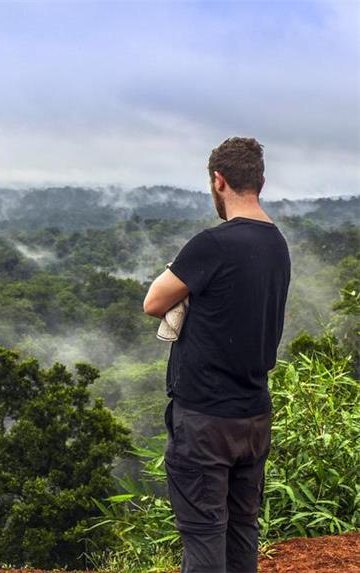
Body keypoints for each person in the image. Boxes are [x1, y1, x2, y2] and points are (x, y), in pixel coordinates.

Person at [143, 137, 291, 573]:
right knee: (242, 529)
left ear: (218, 181)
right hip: (254, 416)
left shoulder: (212, 244)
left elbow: (154, 301)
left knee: (205, 534)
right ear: (260, 181)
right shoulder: (277, 244)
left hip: (206, 419)